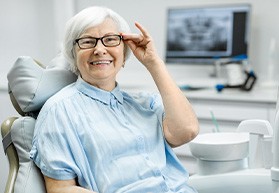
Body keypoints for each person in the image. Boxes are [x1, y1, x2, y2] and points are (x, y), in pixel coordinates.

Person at [30, 6, 199, 193]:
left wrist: (154, 62)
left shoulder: (145, 104)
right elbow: (60, 189)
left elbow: (187, 131)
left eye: (110, 40)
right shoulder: (59, 111)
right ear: (73, 53)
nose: (100, 50)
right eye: (87, 41)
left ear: (124, 53)